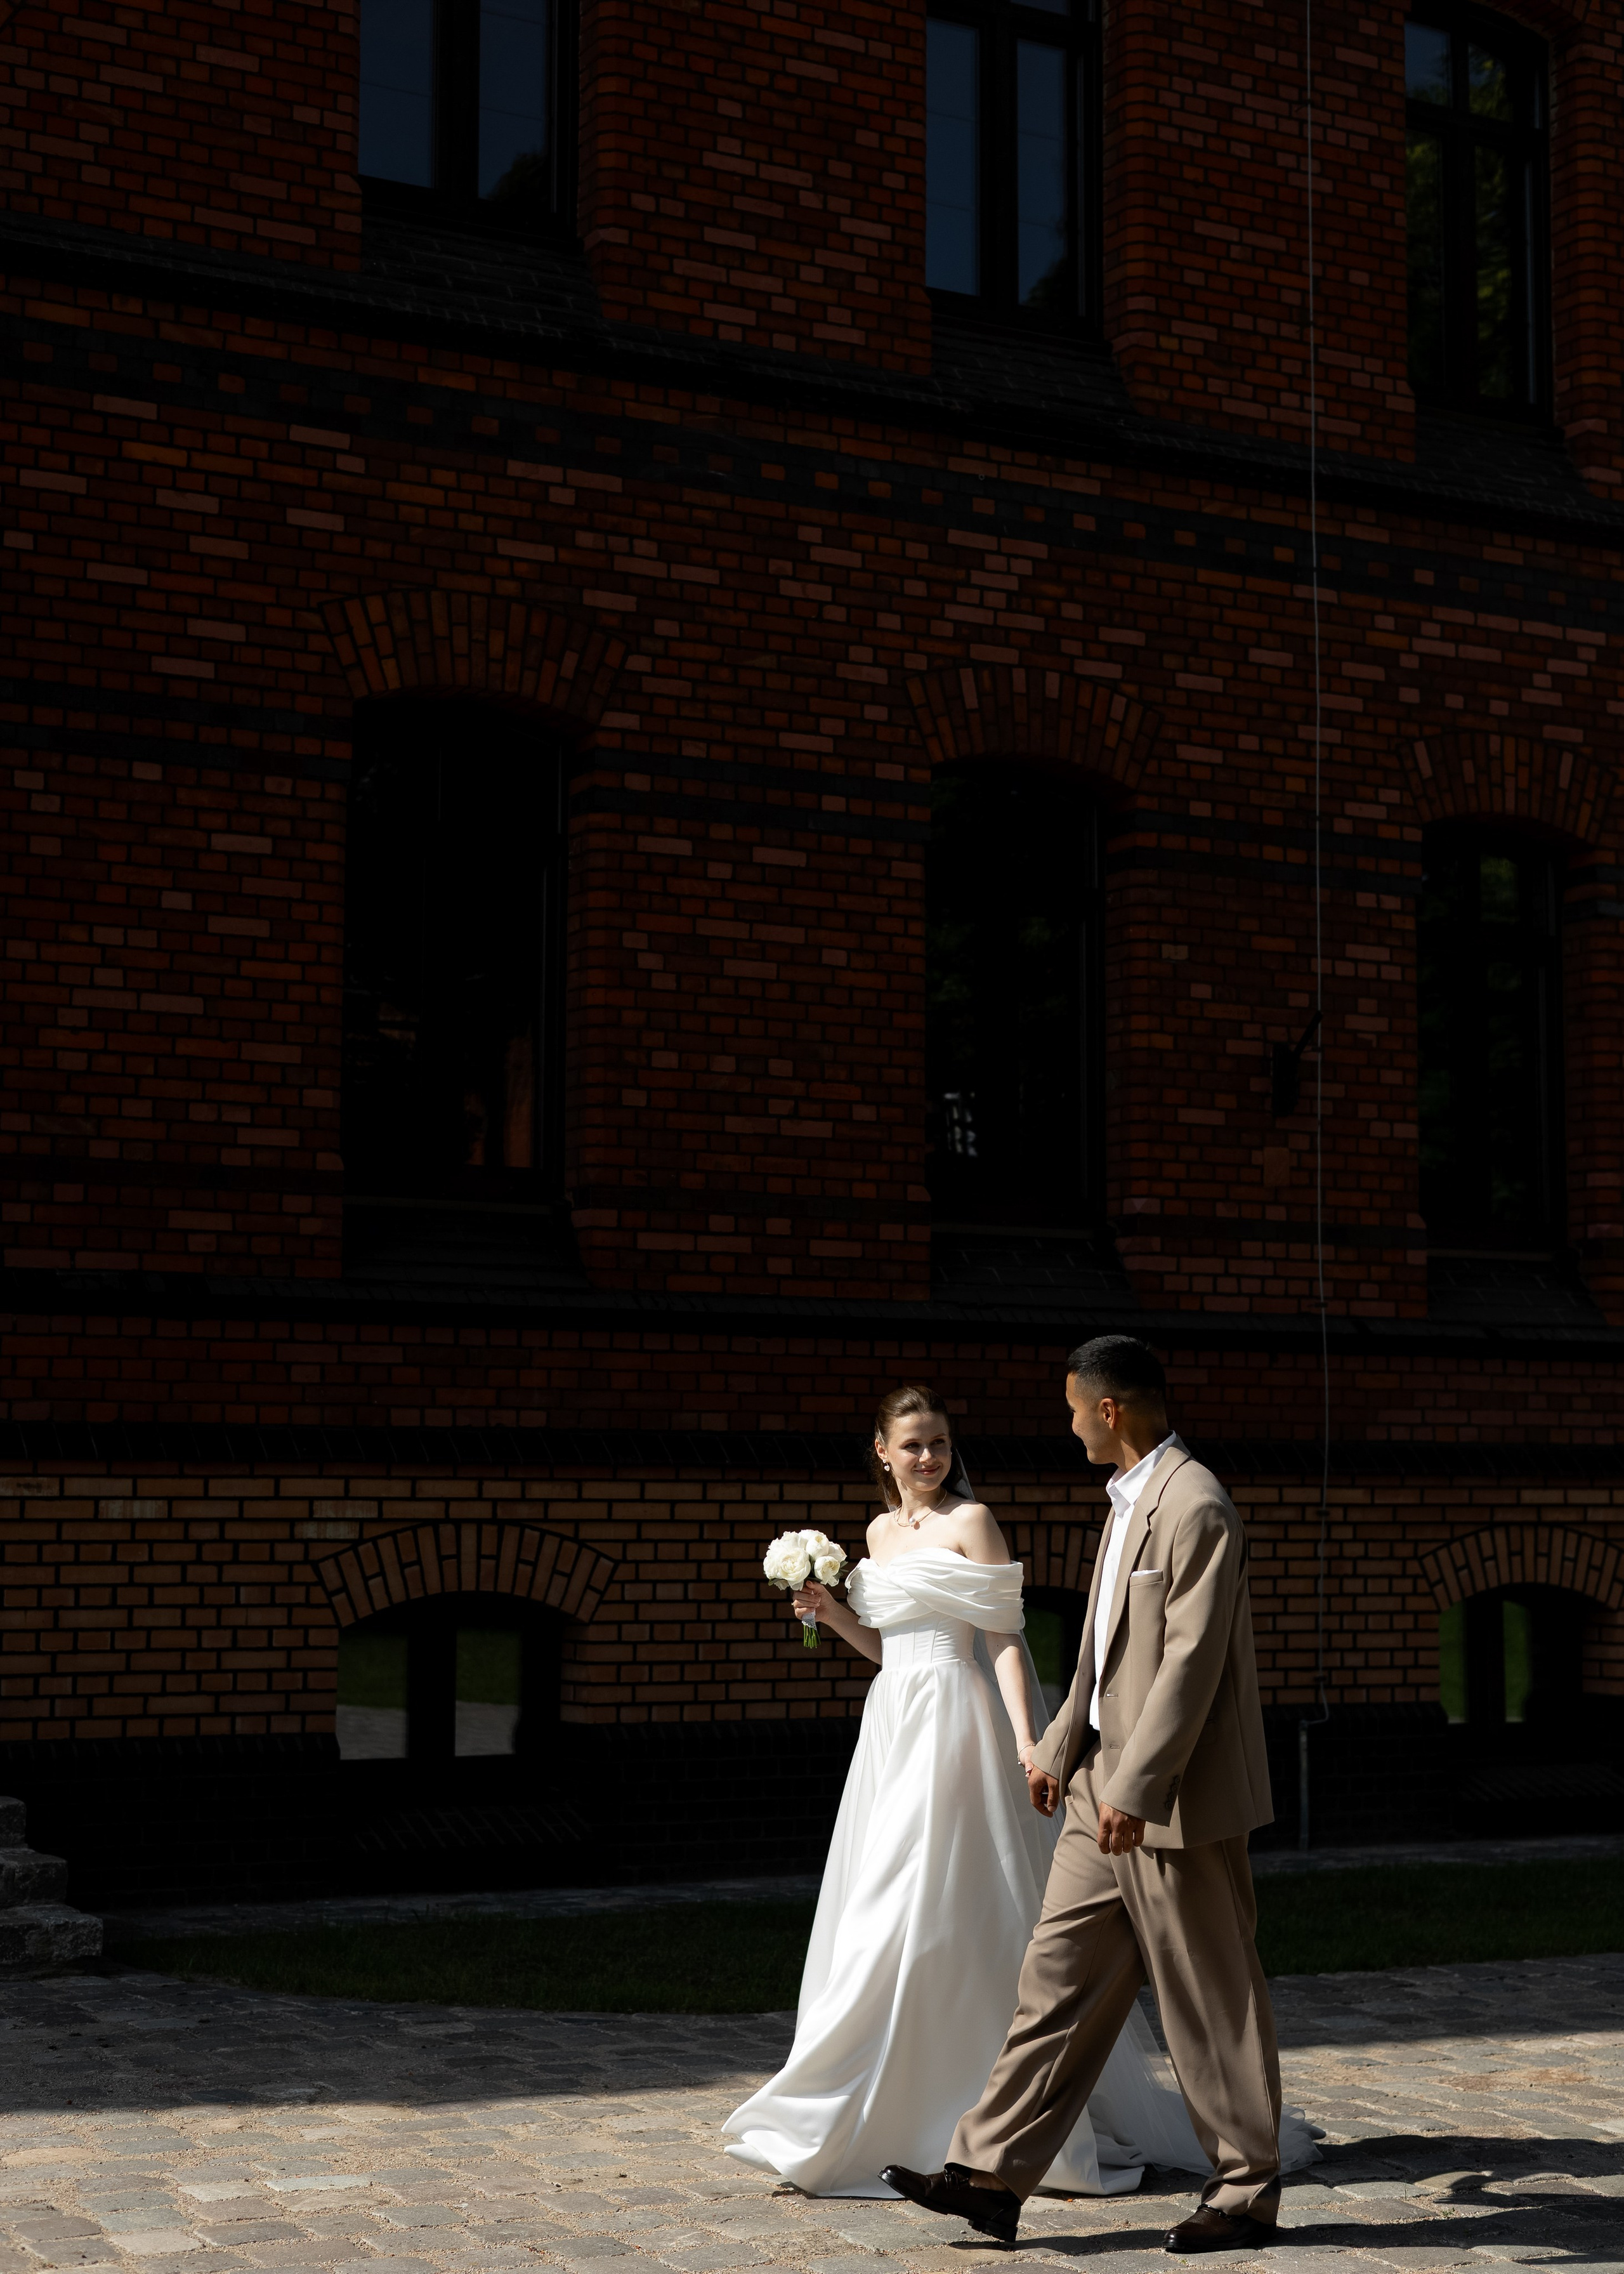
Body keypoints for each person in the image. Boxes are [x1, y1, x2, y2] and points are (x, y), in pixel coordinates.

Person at [723, 1379, 1314, 2204]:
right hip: (892, 1726)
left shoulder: (973, 1522)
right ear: (882, 1453)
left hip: (955, 1729)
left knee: (944, 1905)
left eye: (940, 1441)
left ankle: (975, 2121)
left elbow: (1002, 1639)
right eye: (914, 1444)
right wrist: (827, 1610)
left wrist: (1026, 1741)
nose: (930, 1456)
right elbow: (888, 1649)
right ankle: (867, 2104)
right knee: (877, 1910)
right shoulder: (877, 1533)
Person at [881, 1336, 1289, 2256]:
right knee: (1054, 1982)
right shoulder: (1125, 1502)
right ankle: (991, 2174)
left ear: (1110, 1410)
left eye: (1073, 1409)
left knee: (1206, 1994)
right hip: (1098, 1786)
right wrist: (1060, 1753)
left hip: (1172, 1798)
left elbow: (1189, 1667)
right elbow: (1104, 1657)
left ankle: (1246, 2190)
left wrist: (1137, 1787)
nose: (1067, 1425)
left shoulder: (1198, 1505)